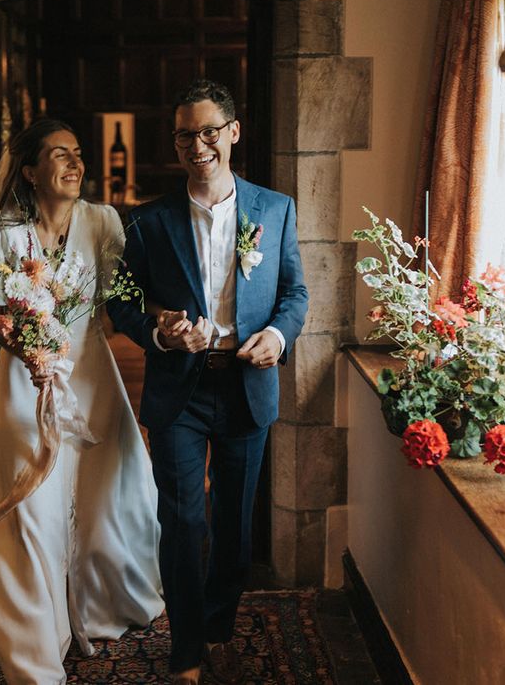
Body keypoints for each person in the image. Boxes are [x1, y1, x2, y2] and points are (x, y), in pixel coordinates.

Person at [107, 79, 309, 685]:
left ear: (232, 133)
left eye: (208, 132)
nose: (197, 145)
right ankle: (187, 651)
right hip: (180, 391)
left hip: (247, 385)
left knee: (233, 529)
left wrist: (277, 336)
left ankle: (217, 622)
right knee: (183, 521)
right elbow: (121, 302)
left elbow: (294, 293)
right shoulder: (147, 221)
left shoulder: (275, 210)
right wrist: (162, 333)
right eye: (184, 135)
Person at [0, 118, 164, 685]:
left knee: (116, 492)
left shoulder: (103, 222)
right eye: (60, 155)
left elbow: (132, 289)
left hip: (94, 375)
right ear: (30, 171)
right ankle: (37, 647)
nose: (75, 164)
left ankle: (102, 610)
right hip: (26, 383)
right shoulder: (3, 236)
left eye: (78, 154)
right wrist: (26, 346)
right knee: (33, 514)